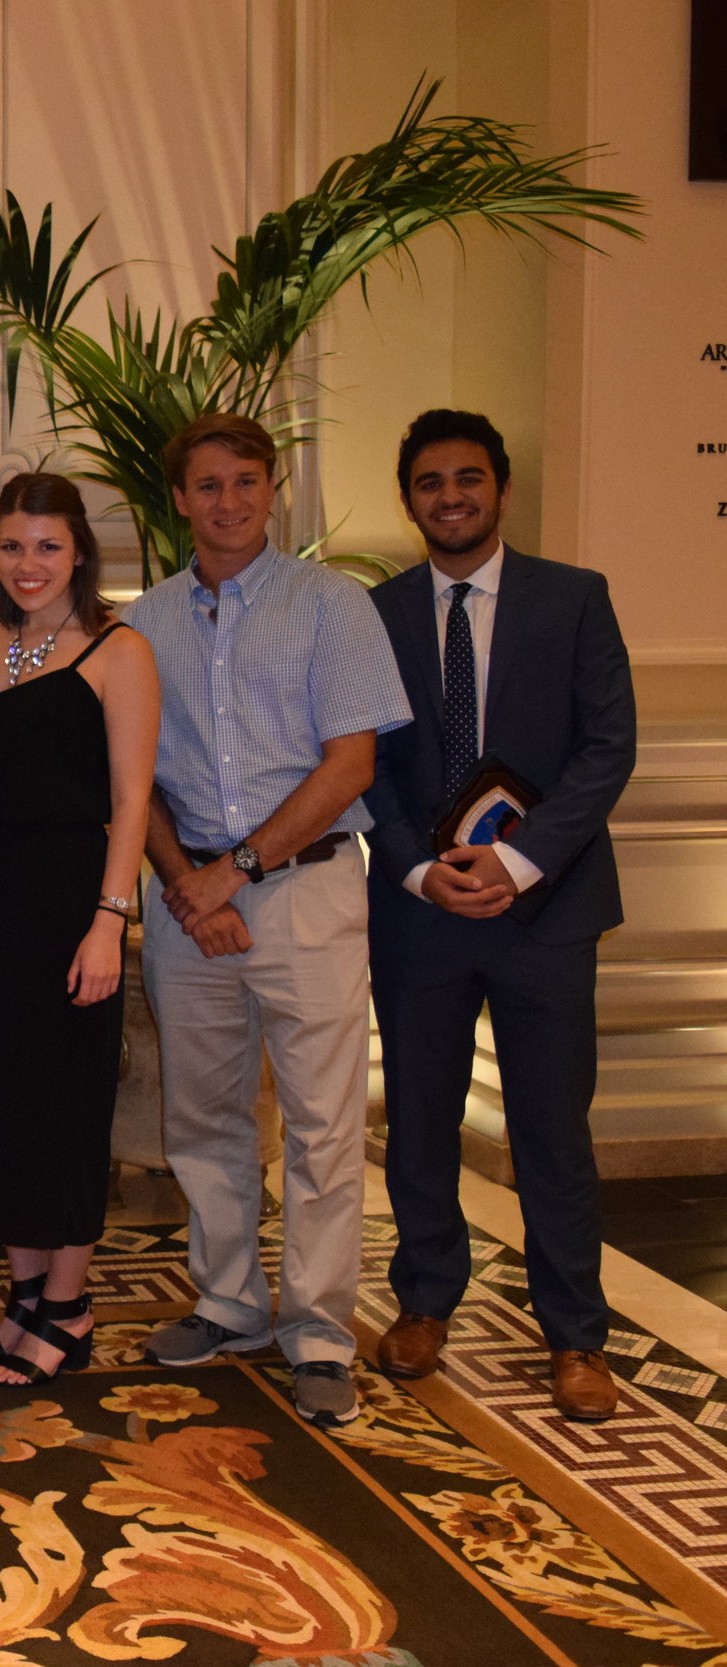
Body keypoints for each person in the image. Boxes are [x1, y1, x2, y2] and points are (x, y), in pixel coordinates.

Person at [127, 412, 410, 1429]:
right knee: (202, 1117)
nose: (229, 501)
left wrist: (236, 871)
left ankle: (321, 1330)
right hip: (189, 906)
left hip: (306, 891)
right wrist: (187, 882)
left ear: (270, 487)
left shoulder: (331, 605)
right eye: (207, 485)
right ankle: (229, 1297)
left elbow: (350, 766)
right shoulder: (143, 623)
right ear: (180, 499)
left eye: (245, 482)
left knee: (326, 1126)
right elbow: (133, 780)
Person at [363, 409, 635, 1422]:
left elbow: (607, 747)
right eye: (429, 482)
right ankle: (425, 1299)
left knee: (551, 1130)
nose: (450, 496)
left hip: (547, 912)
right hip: (423, 915)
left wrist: (517, 862)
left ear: (500, 489)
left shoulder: (574, 599)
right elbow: (364, 765)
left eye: (467, 478)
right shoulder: (378, 613)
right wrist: (415, 871)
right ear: (410, 499)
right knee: (420, 1122)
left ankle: (575, 1335)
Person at [0, 473, 160, 1386]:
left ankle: (69, 1304)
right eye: (11, 546)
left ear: (79, 553)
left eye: (47, 546)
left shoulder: (118, 651)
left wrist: (109, 922)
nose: (28, 564)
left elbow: (133, 798)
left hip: (72, 898)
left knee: (63, 1106)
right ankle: (24, 1297)